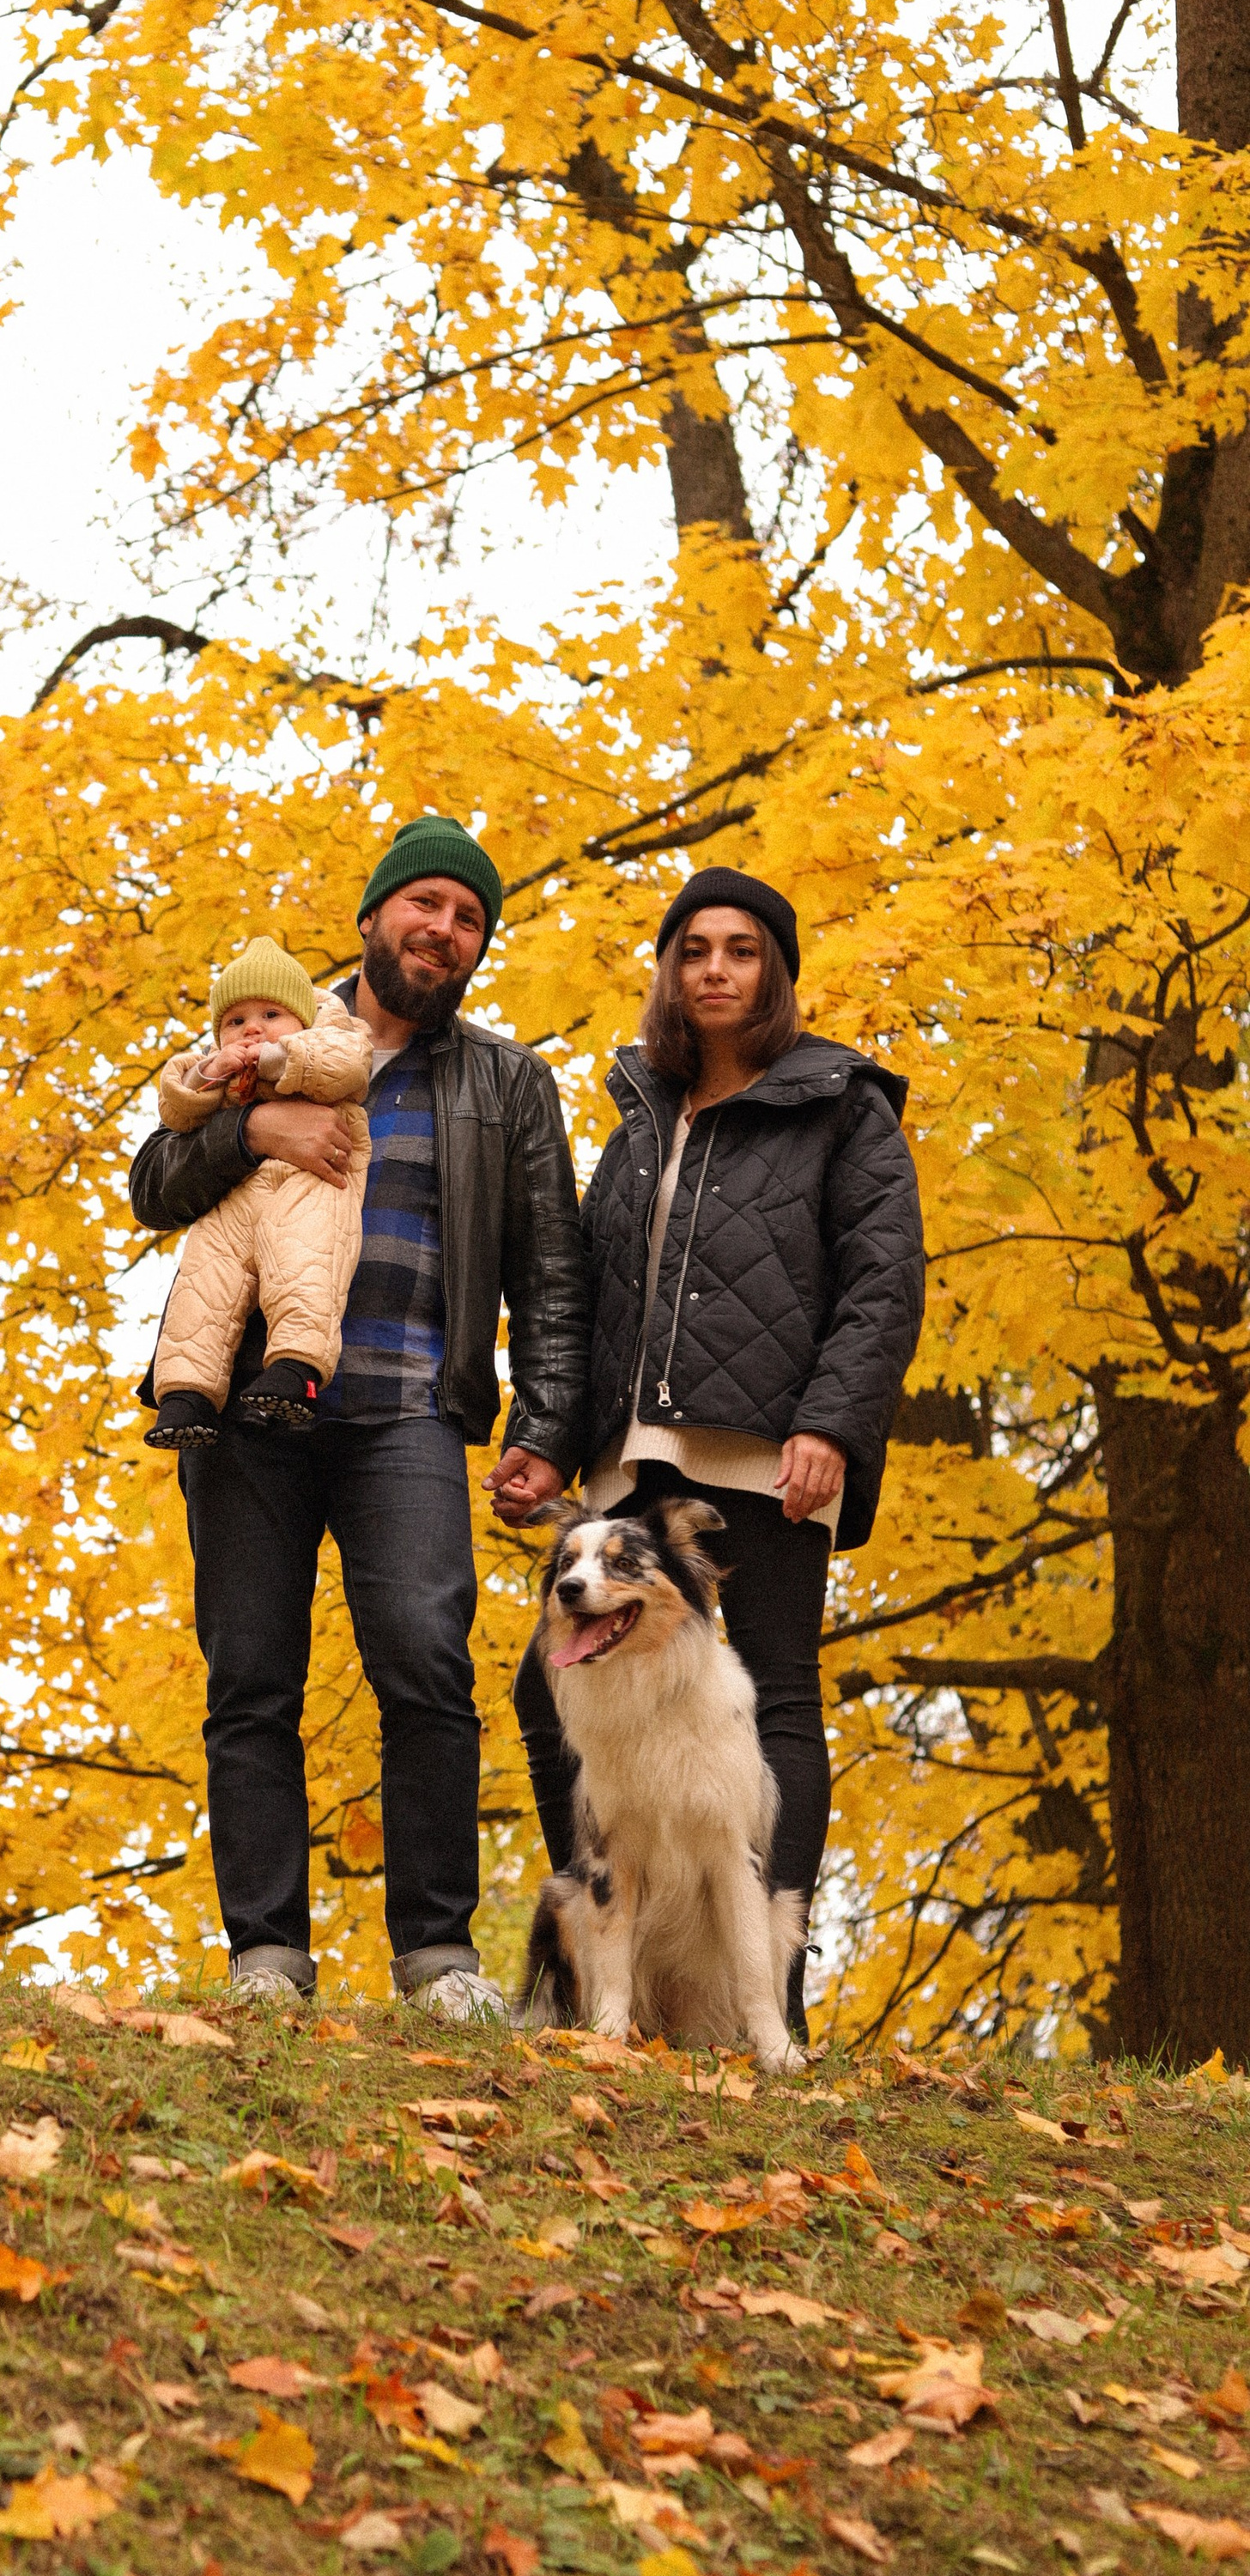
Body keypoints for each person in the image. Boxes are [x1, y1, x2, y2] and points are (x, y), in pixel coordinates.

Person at [130, 816, 587, 2020]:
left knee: (429, 1667)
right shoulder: (265, 1033)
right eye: (425, 903)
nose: (444, 929)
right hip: (247, 1403)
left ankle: (439, 1958)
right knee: (251, 1678)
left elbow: (550, 1274)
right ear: (374, 917)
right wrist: (252, 1127)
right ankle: (268, 1956)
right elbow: (152, 1186)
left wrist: (544, 1426)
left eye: (469, 916)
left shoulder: (509, 1085)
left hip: (411, 1415)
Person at [508, 865, 925, 2039]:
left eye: (743, 951)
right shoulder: (641, 1110)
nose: (716, 970)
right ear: (669, 970)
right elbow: (586, 1288)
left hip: (773, 1446)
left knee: (781, 1697)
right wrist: (544, 1441)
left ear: (776, 972)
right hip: (635, 1453)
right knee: (552, 1690)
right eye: (694, 950)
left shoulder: (846, 1105)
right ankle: (618, 1958)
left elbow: (883, 1283)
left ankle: (766, 2000)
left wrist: (832, 1425)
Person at [144, 939, 371, 1449]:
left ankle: (298, 1371)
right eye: (236, 1020)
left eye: (271, 1013)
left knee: (307, 1270)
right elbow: (177, 1116)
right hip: (235, 1200)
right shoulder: (226, 1071)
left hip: (310, 1184)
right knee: (204, 1286)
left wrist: (275, 1059)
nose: (252, 1028)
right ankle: (185, 1397)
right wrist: (208, 1072)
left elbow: (344, 1065)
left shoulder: (333, 1034)